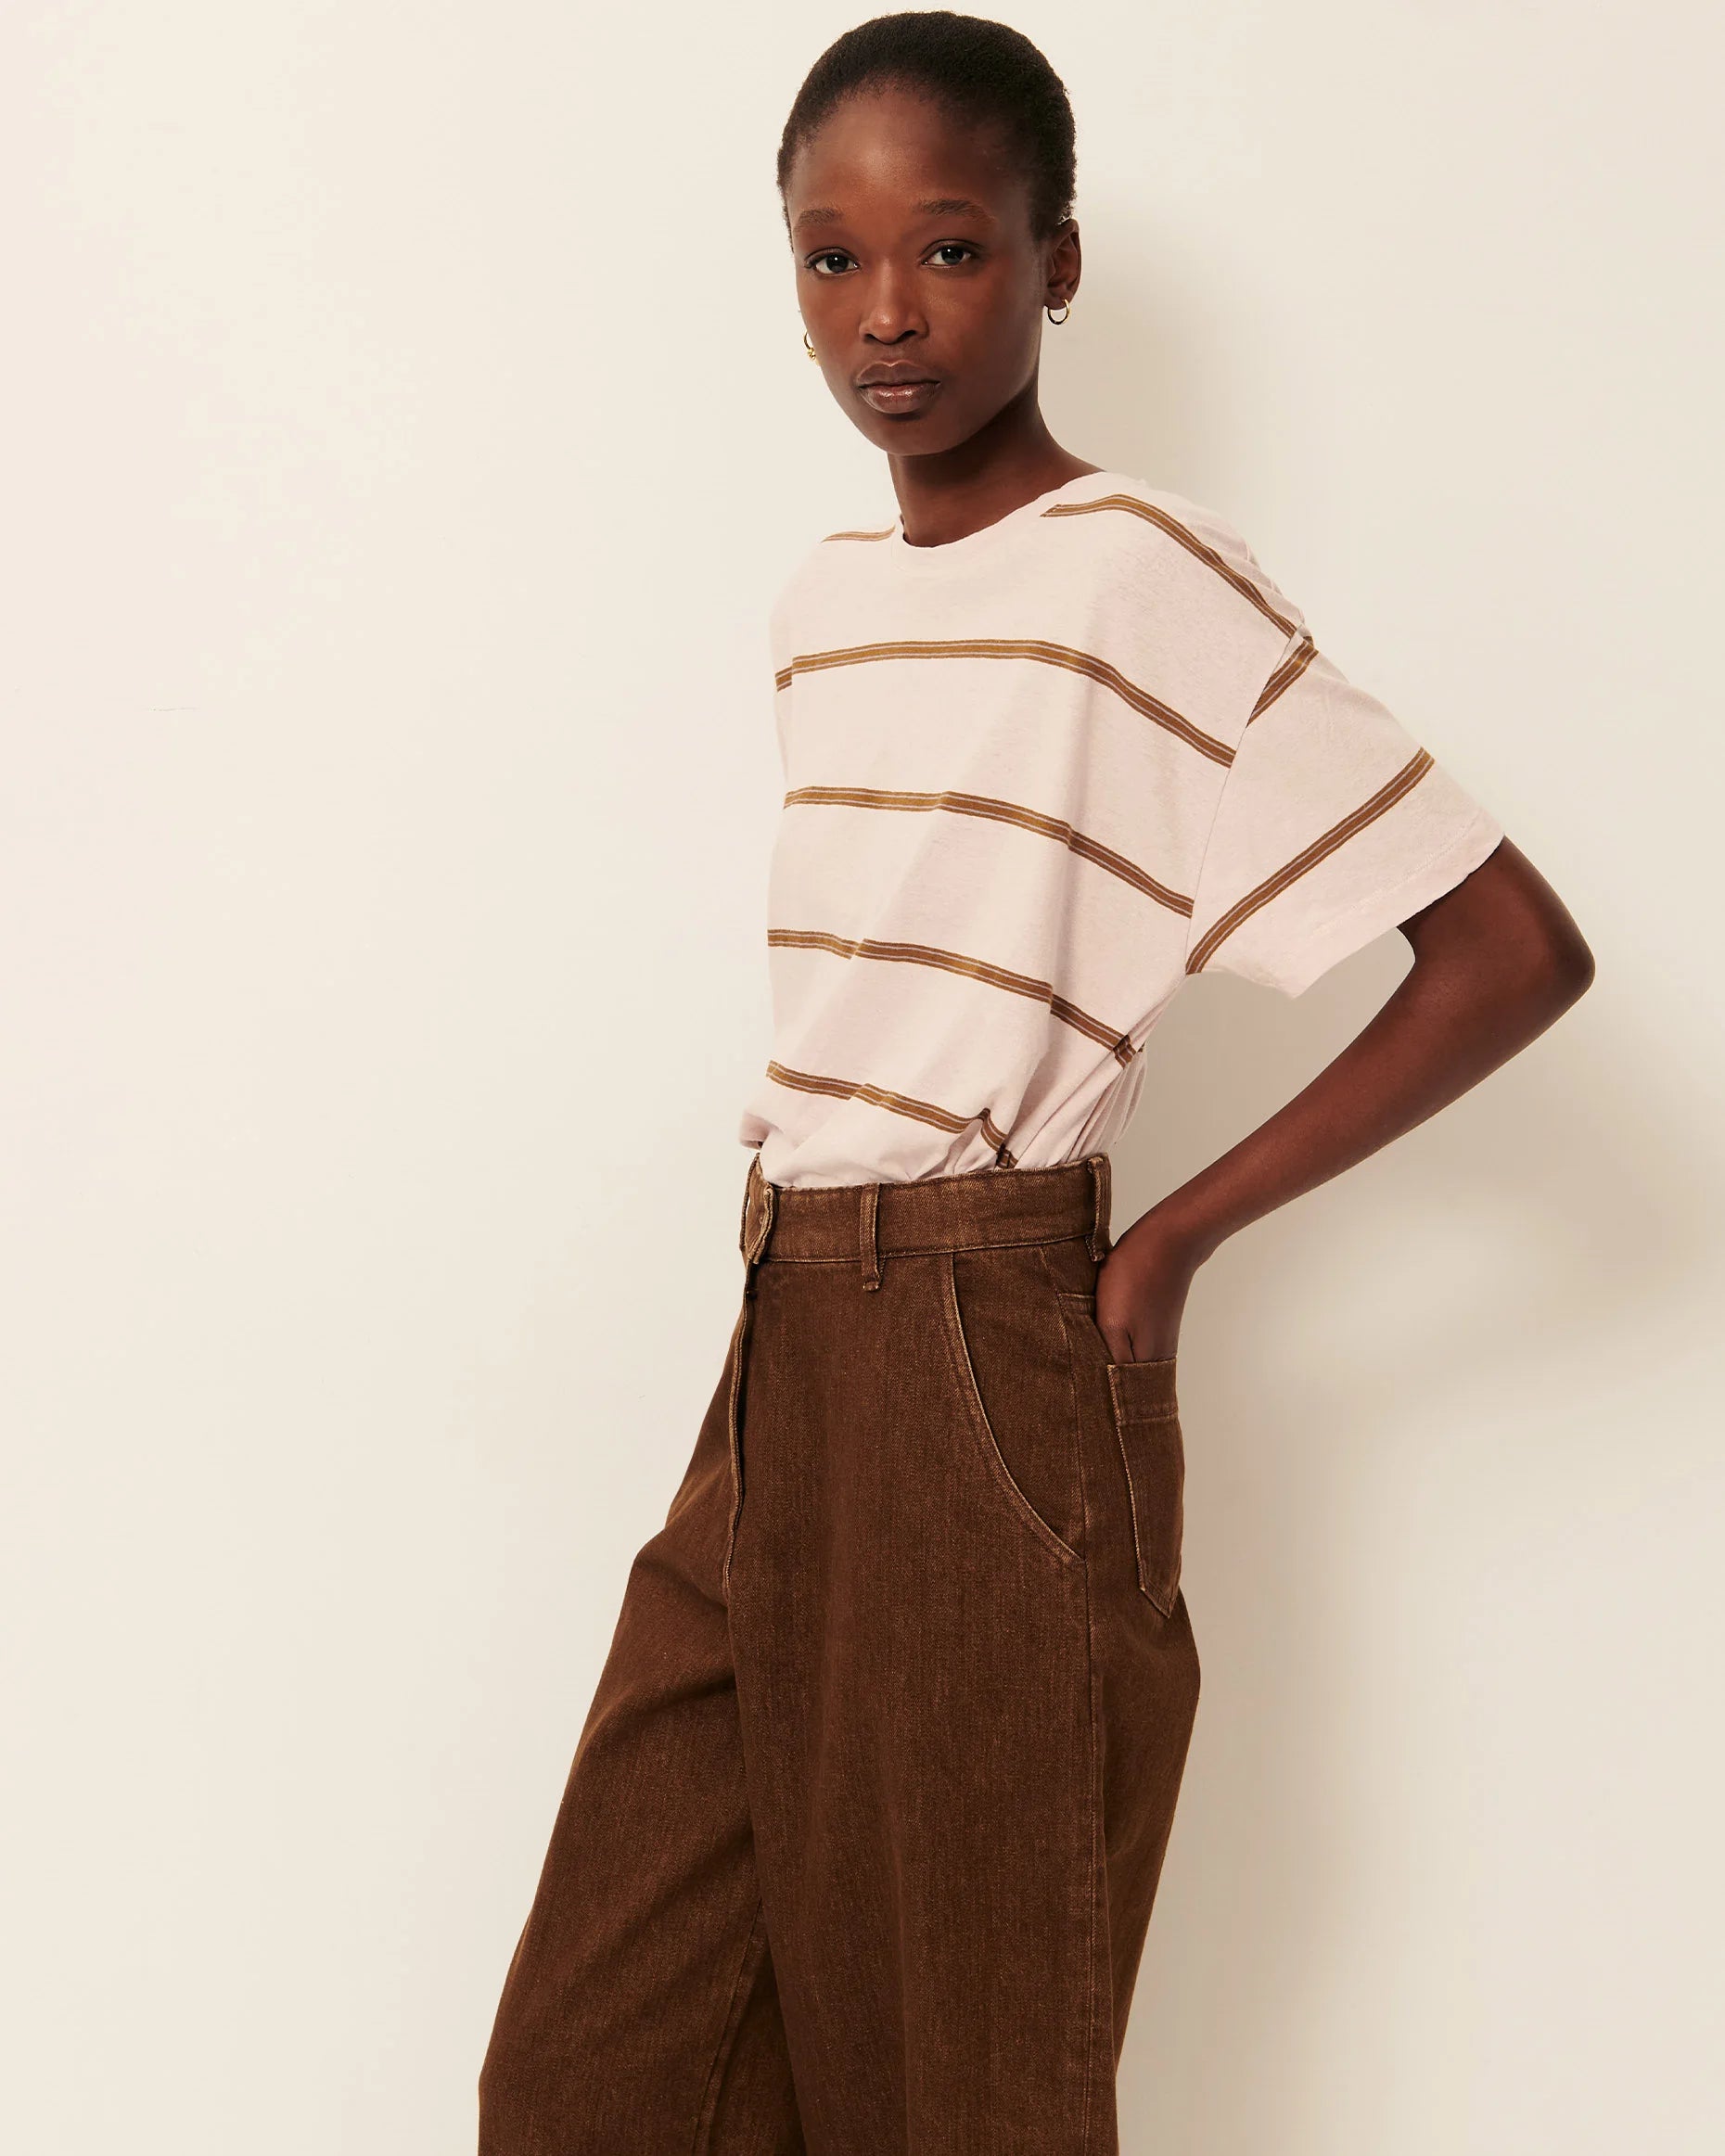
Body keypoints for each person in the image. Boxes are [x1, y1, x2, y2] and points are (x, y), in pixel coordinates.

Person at [476, 13, 1593, 2152]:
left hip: (987, 1352)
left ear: (1054, 263)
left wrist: (1166, 1244)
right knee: (593, 2076)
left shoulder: (1138, 574)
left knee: (960, 2091)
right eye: (831, 258)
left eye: (951, 247)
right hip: (782, 1346)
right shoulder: (824, 606)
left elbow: (1510, 949)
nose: (886, 313)